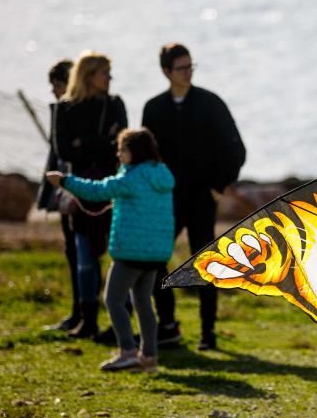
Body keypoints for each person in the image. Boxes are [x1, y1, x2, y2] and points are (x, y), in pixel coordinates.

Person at [142, 43, 246, 351]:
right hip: (165, 200)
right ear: (166, 71)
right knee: (155, 259)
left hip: (202, 198)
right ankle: (168, 326)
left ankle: (208, 333)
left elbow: (236, 149)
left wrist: (219, 186)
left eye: (191, 66)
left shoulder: (211, 103)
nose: (188, 72)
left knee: (206, 264)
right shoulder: (153, 108)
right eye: (181, 68)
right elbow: (145, 156)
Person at [45, 128, 175, 371]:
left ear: (133, 152)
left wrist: (64, 181)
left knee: (113, 299)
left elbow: (97, 191)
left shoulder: (131, 178)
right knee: (144, 303)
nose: (118, 154)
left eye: (121, 149)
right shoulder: (162, 175)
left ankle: (127, 351)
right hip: (156, 254)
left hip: (131, 251)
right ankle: (149, 357)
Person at [55, 51, 128, 338]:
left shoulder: (114, 104)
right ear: (89, 76)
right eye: (105, 73)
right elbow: (64, 150)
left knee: (117, 255)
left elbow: (121, 145)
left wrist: (84, 142)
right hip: (80, 190)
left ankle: (117, 320)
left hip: (111, 188)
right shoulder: (66, 108)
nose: (110, 79)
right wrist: (101, 141)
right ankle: (88, 319)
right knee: (85, 257)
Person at [35, 59, 80, 331]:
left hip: (76, 190)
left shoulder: (73, 113)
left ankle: (83, 312)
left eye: (58, 86)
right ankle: (79, 311)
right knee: (73, 251)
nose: (53, 92)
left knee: (81, 253)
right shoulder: (61, 113)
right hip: (64, 189)